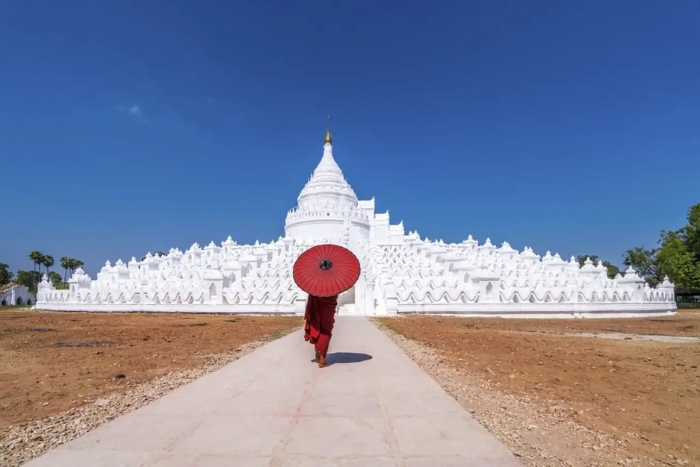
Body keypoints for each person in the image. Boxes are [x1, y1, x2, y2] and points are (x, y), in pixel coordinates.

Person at [303, 294, 338, 368]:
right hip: (327, 311)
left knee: (316, 328)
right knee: (326, 332)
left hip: (316, 308)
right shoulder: (332, 287)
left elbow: (312, 295)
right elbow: (334, 296)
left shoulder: (316, 287)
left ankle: (317, 354)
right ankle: (322, 360)